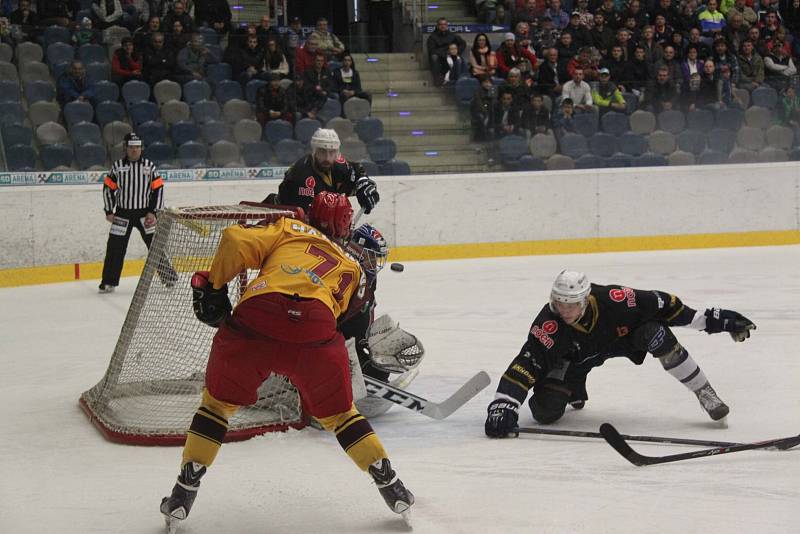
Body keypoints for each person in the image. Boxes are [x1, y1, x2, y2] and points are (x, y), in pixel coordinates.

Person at [160, 192, 414, 530]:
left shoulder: (291, 228)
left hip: (257, 320)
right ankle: (389, 482)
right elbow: (346, 319)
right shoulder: (352, 266)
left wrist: (217, 286)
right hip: (315, 333)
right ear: (344, 226)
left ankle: (184, 489)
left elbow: (235, 238)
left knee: (217, 407)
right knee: (341, 416)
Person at [484, 270, 756, 438]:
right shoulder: (550, 323)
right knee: (544, 412)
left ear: (586, 299)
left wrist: (713, 321)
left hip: (621, 340)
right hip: (574, 359)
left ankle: (704, 391)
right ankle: (573, 388)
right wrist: (504, 404)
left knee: (655, 332)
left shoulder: (617, 299)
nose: (563, 310)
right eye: (558, 303)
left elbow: (667, 306)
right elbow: (528, 361)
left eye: (571, 304)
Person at [99, 133, 177, 293]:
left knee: (155, 247)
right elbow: (108, 188)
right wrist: (109, 210)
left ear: (141, 148)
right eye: (131, 147)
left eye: (137, 147)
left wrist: (153, 213)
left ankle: (169, 278)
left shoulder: (149, 166)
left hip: (145, 214)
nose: (134, 150)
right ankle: (108, 281)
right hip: (122, 214)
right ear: (126, 148)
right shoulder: (117, 166)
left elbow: (158, 189)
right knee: (115, 248)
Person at [266, 128, 380, 215]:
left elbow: (357, 171)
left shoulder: (340, 165)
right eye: (322, 152)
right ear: (314, 151)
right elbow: (307, 222)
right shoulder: (300, 176)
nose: (327, 158)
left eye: (332, 152)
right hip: (286, 219)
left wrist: (364, 184)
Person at [426, 18, 467, 86]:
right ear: (437, 26)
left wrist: (456, 51)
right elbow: (432, 50)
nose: (443, 26)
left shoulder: (452, 35)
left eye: (445, 24)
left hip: (451, 56)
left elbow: (463, 43)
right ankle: (438, 80)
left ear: (447, 25)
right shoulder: (432, 37)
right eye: (441, 24)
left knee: (459, 60)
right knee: (434, 56)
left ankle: (459, 80)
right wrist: (444, 53)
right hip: (440, 57)